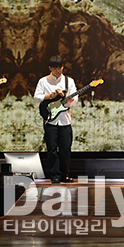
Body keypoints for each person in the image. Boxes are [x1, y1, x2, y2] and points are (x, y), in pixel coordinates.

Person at [34, 55, 78, 183]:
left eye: (59, 68)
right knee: (52, 149)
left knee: (65, 149)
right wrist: (49, 96)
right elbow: (37, 97)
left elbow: (75, 100)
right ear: (50, 68)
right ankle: (55, 175)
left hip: (65, 120)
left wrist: (64, 95)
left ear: (62, 67)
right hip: (50, 120)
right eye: (54, 68)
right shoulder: (43, 81)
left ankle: (65, 174)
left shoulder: (69, 81)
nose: (57, 70)